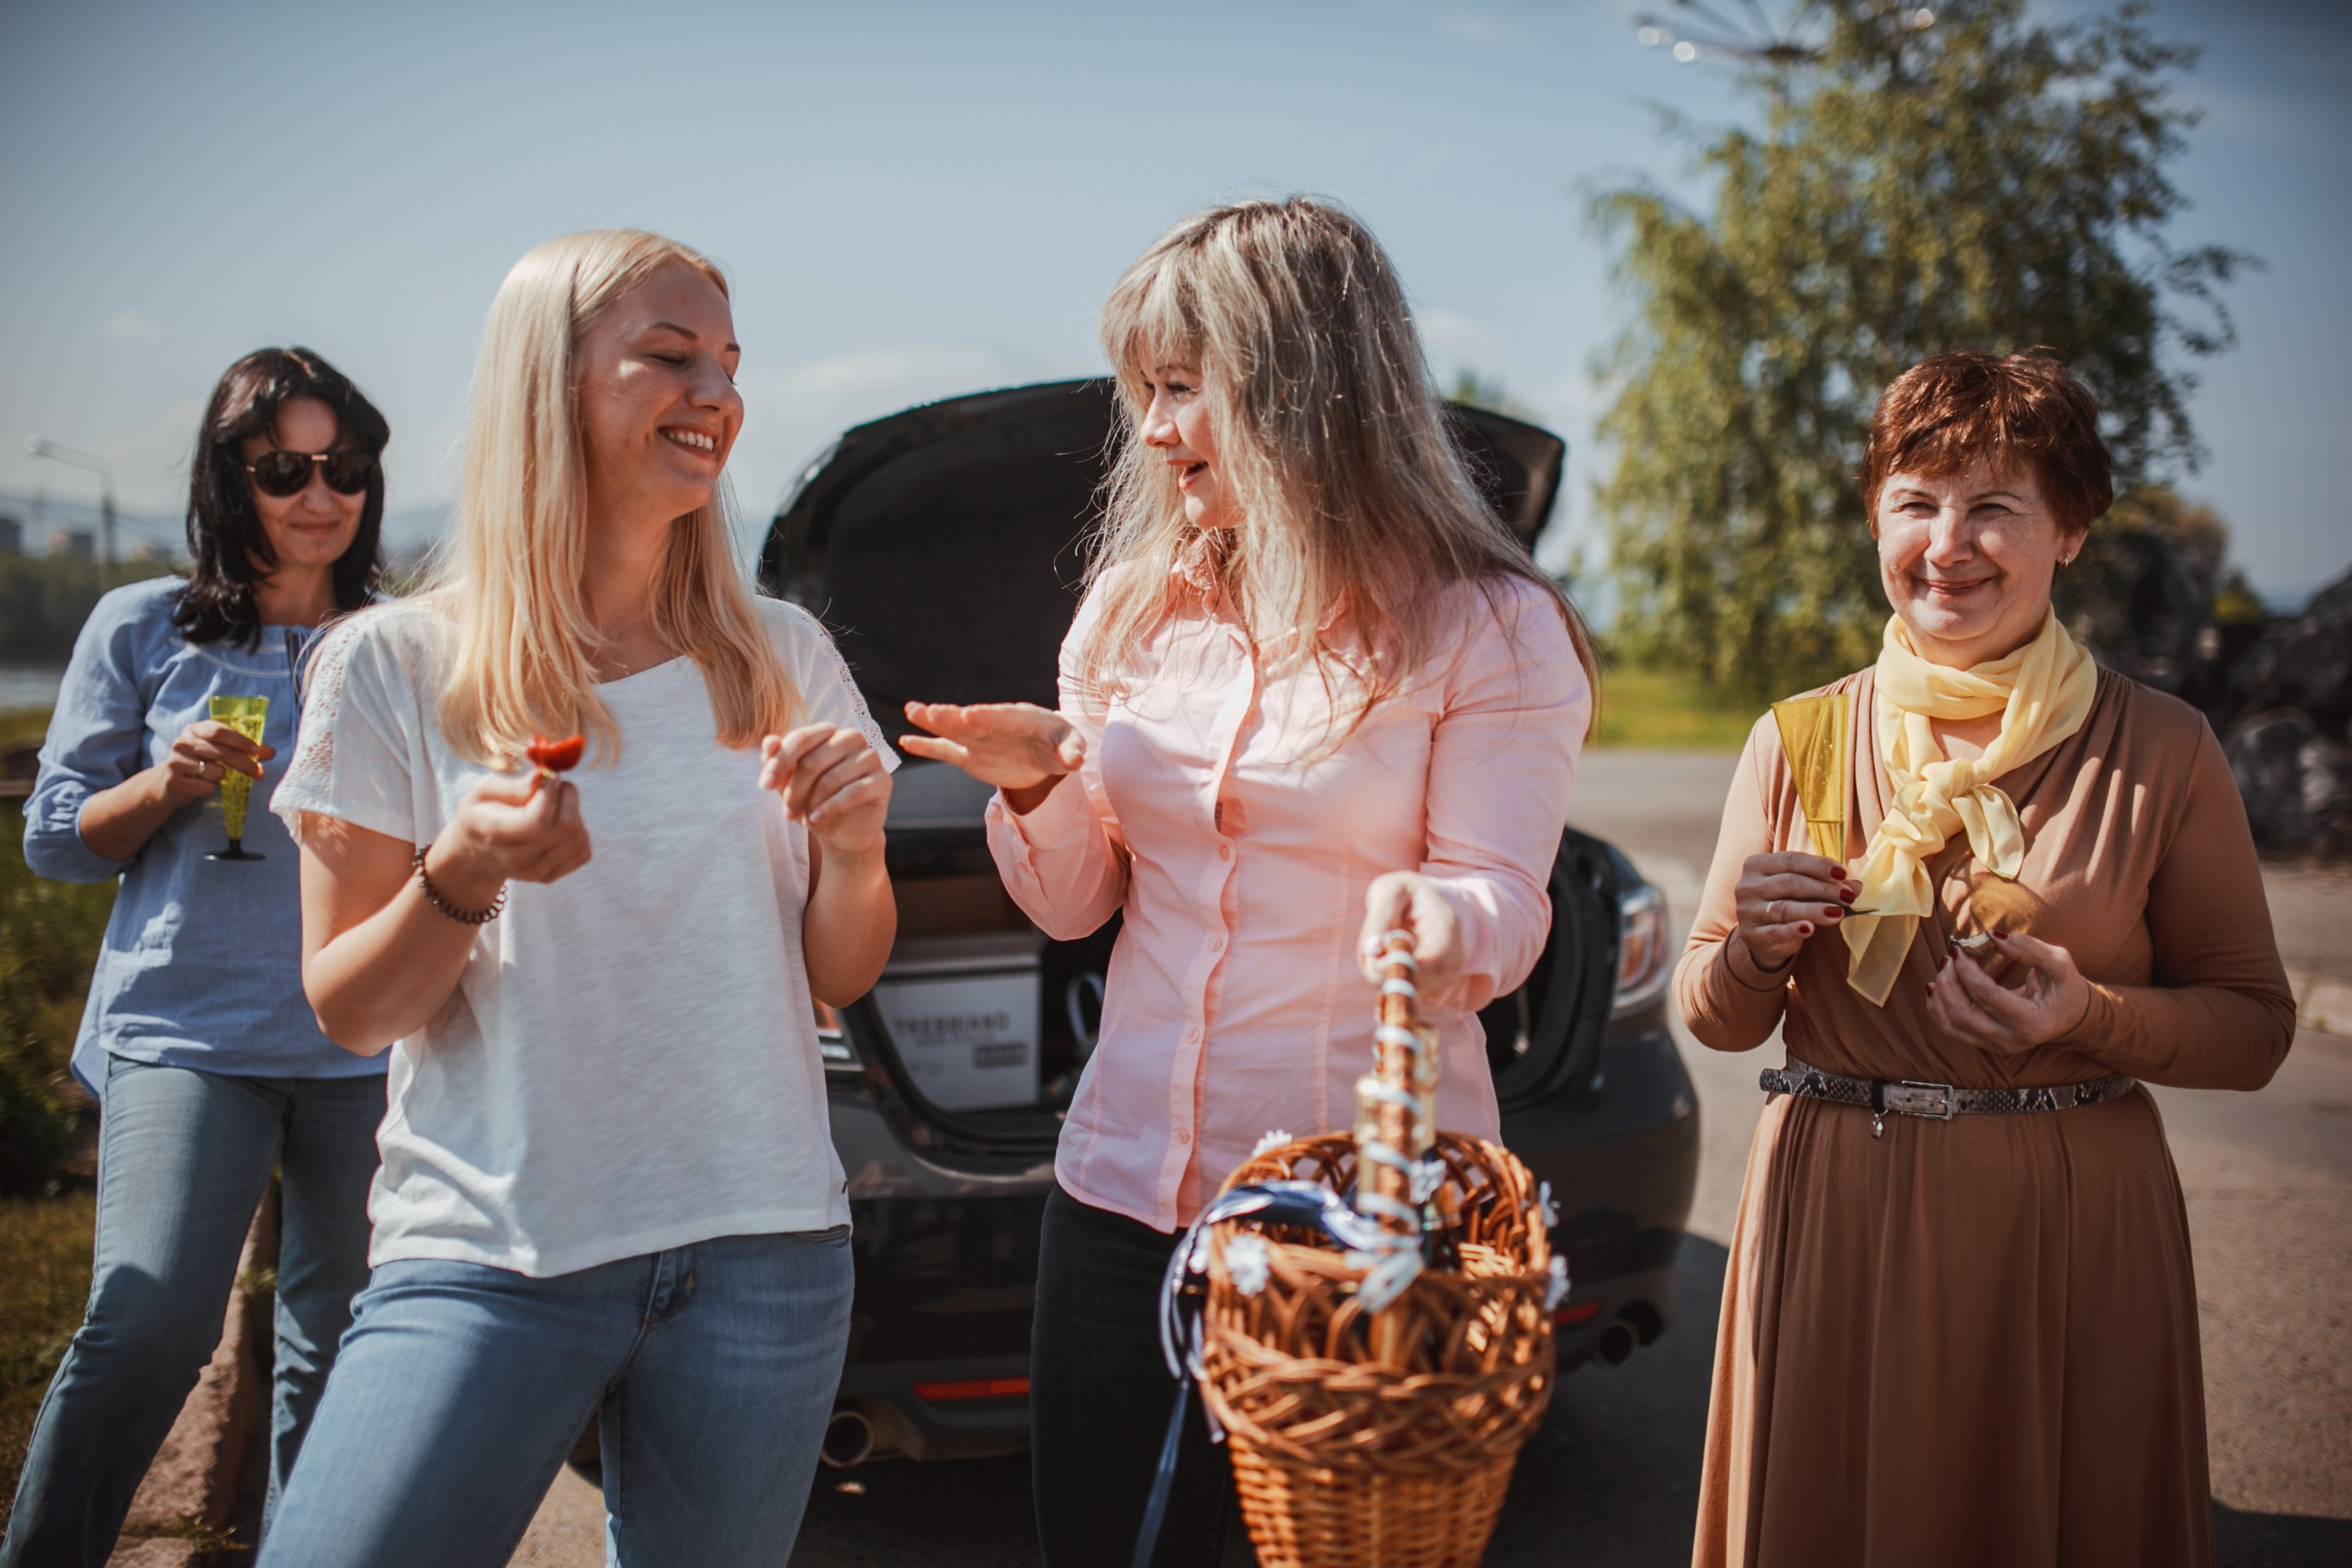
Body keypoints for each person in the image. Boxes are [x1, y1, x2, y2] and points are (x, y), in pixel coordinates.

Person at [903, 197, 1596, 1566]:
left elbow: (1505, 904)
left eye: (1178, 389)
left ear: (1303, 391)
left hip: (1364, 1223)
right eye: (1140, 394)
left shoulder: (1492, 628)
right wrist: (1040, 782)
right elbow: (1074, 905)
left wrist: (1436, 916)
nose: (1151, 433)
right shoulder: (1130, 611)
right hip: (1121, 1196)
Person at [253, 231, 896, 1568]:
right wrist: (464, 871)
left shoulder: (782, 655)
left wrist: (854, 850)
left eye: (728, 363)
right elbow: (351, 1012)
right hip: (488, 1251)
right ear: (549, 384)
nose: (714, 390)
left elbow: (838, 976)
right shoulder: (391, 665)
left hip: (766, 1247)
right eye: (669, 357)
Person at [1678, 351, 2296, 1568]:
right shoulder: (1798, 738)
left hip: (2068, 1228)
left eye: (1994, 506)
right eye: (1913, 502)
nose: (1946, 542)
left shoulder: (2165, 749)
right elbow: (1712, 1016)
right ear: (1875, 523)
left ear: (2068, 532)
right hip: (1832, 1220)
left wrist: (2091, 1014)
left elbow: (2257, 1027)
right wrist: (1751, 950)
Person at [4, 349, 392, 1566]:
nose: (321, 495)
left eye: (346, 468)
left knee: (341, 1344)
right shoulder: (142, 624)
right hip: (186, 1030)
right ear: (231, 479)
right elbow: (58, 844)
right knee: (151, 1321)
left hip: (364, 1036)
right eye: (286, 469)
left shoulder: (401, 645)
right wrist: (164, 783)